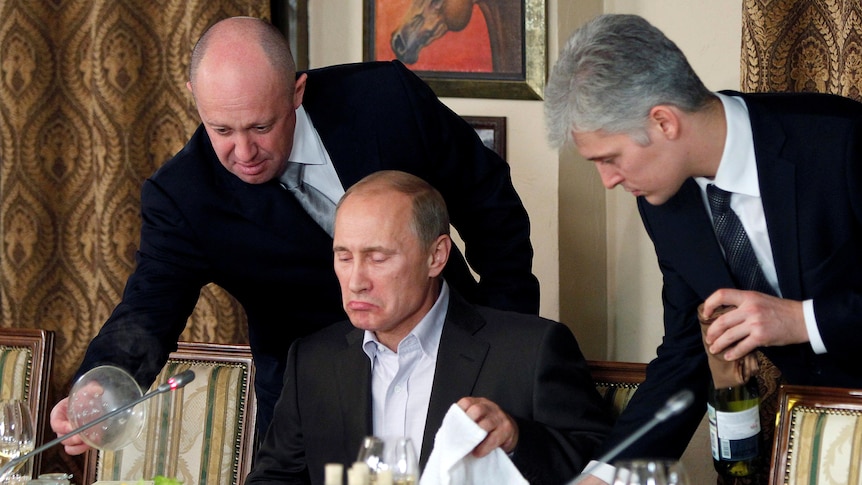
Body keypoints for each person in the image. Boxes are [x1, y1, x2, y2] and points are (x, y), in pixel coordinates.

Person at [49, 16, 540, 454]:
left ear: (297, 92)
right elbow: (146, 314)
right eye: (221, 129)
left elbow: (492, 208)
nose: (244, 152)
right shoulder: (183, 196)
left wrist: (506, 344)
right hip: (310, 404)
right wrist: (99, 388)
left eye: (262, 126)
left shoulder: (386, 101)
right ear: (193, 97)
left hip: (454, 364)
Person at [544, 13, 862, 484]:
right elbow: (686, 353)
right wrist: (607, 473)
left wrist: (799, 321)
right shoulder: (662, 197)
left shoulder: (842, 142)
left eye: (609, 159)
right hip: (819, 449)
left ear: (664, 122)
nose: (607, 180)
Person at [244, 170, 612, 485]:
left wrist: (516, 438)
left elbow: (606, 460)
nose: (356, 281)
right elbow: (274, 478)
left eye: (377, 257)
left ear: (436, 256)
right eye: (344, 256)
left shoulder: (529, 351)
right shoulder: (313, 360)